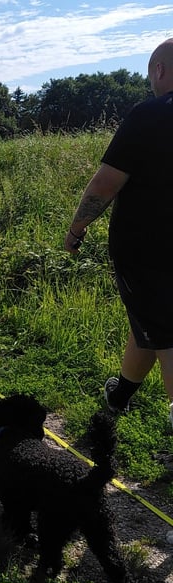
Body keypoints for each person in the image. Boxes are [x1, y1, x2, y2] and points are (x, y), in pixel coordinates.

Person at [64, 38, 173, 426]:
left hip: (148, 251)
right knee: (150, 322)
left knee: (166, 334)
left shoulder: (150, 114)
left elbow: (104, 185)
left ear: (158, 70)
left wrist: (77, 228)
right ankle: (120, 395)